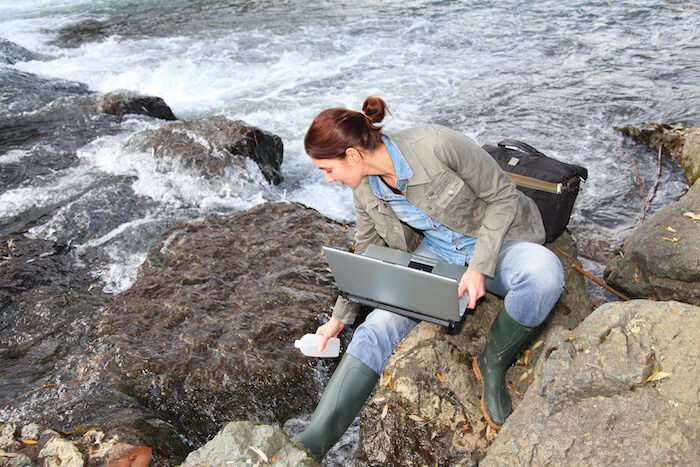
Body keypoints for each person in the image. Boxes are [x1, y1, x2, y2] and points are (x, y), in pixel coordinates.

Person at [292, 96, 564, 461]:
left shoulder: (437, 144)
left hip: (499, 244)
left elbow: (503, 198)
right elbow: (369, 255)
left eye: (328, 169)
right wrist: (338, 321)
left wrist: (479, 267)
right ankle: (312, 443)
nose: (329, 179)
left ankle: (493, 364)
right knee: (376, 329)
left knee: (545, 274)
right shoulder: (364, 190)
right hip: (437, 257)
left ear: (353, 156)